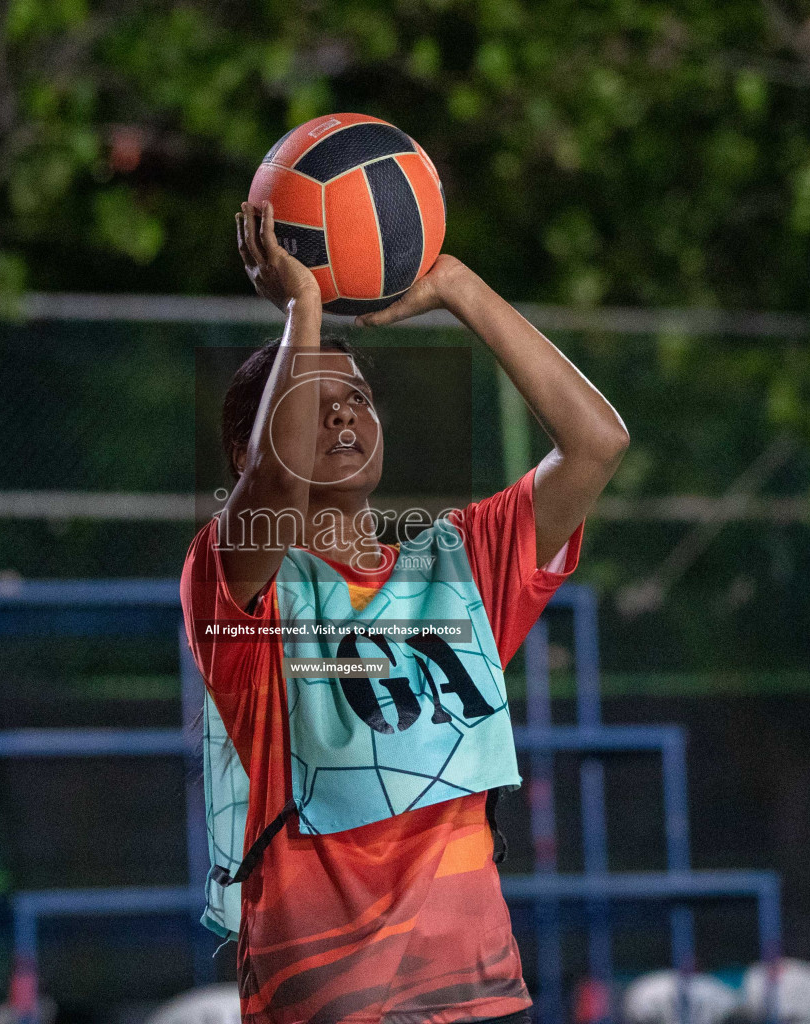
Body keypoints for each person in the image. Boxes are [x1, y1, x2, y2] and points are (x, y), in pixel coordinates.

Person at [180, 201, 629, 1024]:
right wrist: (303, 311)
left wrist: (459, 285)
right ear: (246, 454)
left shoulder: (460, 564)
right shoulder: (233, 580)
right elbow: (276, 490)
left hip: (478, 993)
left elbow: (596, 441)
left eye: (356, 396)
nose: (344, 411)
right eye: (315, 397)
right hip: (325, 997)